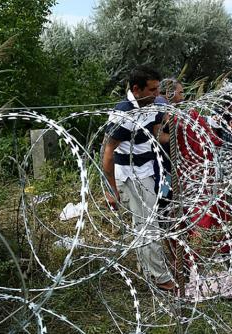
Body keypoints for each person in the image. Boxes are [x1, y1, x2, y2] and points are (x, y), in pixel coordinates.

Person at [102, 65, 175, 291]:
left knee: (147, 223)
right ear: (137, 89)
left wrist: (178, 127)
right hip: (131, 176)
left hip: (149, 170)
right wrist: (111, 190)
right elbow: (108, 153)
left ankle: (148, 270)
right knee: (149, 226)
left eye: (158, 89)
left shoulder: (150, 105)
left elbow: (155, 134)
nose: (157, 94)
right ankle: (161, 278)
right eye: (153, 90)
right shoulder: (123, 114)